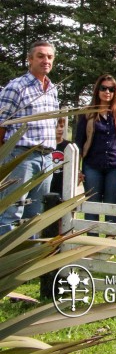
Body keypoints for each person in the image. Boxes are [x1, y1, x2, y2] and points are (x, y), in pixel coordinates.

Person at [0, 40, 59, 234]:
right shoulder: (16, 87)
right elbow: (1, 123)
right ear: (30, 59)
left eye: (49, 57)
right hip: (21, 156)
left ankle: (26, 260)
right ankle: (6, 261)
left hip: (46, 158)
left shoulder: (52, 89)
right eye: (40, 56)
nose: (46, 61)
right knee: (12, 211)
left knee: (35, 214)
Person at [74, 74, 116, 226]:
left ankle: (110, 244)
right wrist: (76, 169)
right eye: (103, 88)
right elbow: (79, 142)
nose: (107, 92)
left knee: (112, 206)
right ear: (97, 90)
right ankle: (91, 243)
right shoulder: (87, 113)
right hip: (92, 165)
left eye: (111, 89)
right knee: (92, 206)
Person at [50, 117, 71, 195]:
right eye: (56, 127)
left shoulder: (69, 146)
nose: (60, 129)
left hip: (63, 184)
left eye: (62, 126)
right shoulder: (46, 146)